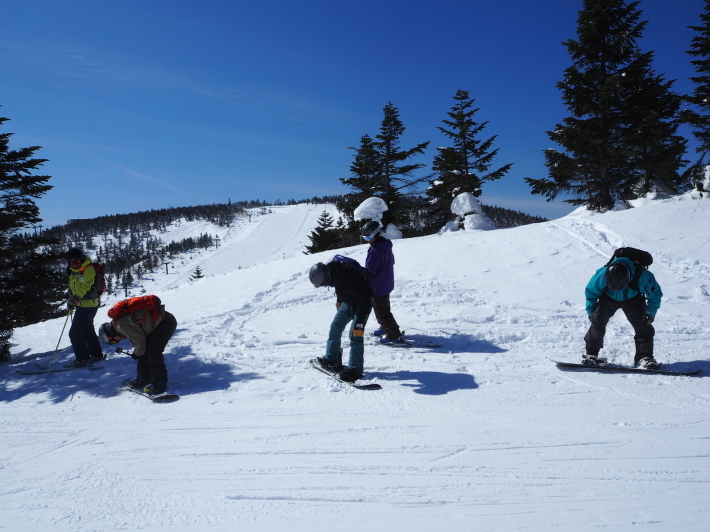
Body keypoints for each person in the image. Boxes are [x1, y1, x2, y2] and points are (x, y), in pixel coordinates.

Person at [583, 256, 663, 369]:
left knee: (643, 325)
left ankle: (644, 357)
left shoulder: (643, 276)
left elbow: (655, 294)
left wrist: (650, 313)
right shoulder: (601, 275)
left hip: (633, 298)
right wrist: (591, 311)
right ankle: (591, 355)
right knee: (597, 321)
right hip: (608, 297)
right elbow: (591, 292)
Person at [309, 257, 373, 382]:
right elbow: (340, 288)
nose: (324, 286)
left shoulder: (349, 277)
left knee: (355, 335)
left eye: (323, 284)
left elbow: (365, 299)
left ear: (325, 277)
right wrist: (339, 301)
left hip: (362, 305)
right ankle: (331, 359)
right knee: (335, 327)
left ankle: (355, 369)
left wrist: (359, 322)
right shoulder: (334, 272)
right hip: (348, 302)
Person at [98, 295, 177, 395]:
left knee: (153, 351)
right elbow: (140, 343)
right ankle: (144, 379)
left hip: (165, 322)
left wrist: (137, 353)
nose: (117, 342)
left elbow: (140, 342)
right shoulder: (120, 324)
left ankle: (159, 382)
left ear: (111, 334)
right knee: (144, 351)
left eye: (113, 341)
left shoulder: (121, 325)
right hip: (159, 323)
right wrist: (138, 353)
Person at [362, 220, 403, 344]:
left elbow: (370, 270)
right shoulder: (385, 245)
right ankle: (384, 328)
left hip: (378, 286)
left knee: (381, 312)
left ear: (374, 234)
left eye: (368, 237)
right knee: (384, 307)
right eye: (364, 237)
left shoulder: (376, 250)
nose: (367, 240)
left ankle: (393, 334)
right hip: (386, 283)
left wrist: (364, 279)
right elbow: (391, 262)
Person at [66, 247, 104, 367]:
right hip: (83, 304)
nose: (75, 265)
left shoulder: (89, 269)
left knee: (75, 333)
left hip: (88, 304)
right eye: (72, 263)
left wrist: (75, 298)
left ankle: (82, 359)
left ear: (81, 260)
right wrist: (70, 295)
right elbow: (74, 285)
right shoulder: (72, 271)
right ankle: (96, 354)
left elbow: (86, 286)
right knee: (87, 330)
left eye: (77, 262)